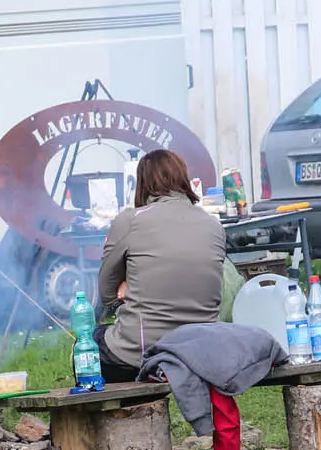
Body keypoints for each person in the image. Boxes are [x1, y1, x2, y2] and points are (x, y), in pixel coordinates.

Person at [94, 149, 228, 383]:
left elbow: (106, 292)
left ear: (143, 183)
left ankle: (127, 417)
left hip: (142, 353)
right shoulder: (214, 225)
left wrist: (127, 294)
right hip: (201, 352)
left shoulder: (130, 220)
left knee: (89, 345)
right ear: (183, 180)